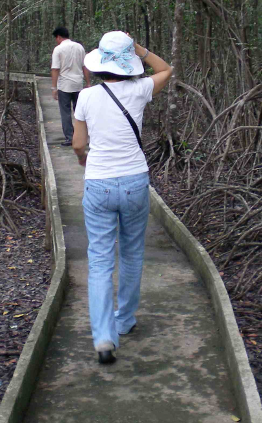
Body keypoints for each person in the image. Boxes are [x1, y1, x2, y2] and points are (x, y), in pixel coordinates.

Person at [71, 31, 173, 364]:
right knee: (131, 253)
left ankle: (103, 337)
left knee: (99, 260)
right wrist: (140, 49)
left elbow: (77, 144)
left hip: (98, 183)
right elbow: (166, 70)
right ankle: (125, 320)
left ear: (100, 64)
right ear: (129, 62)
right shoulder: (140, 89)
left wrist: (84, 161)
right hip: (134, 181)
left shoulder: (86, 97)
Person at [50, 27, 90, 146]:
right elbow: (85, 67)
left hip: (64, 86)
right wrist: (88, 83)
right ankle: (82, 137)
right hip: (78, 84)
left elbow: (55, 69)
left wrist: (54, 88)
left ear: (58, 37)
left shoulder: (58, 49)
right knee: (80, 112)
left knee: (65, 112)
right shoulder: (80, 47)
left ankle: (70, 137)